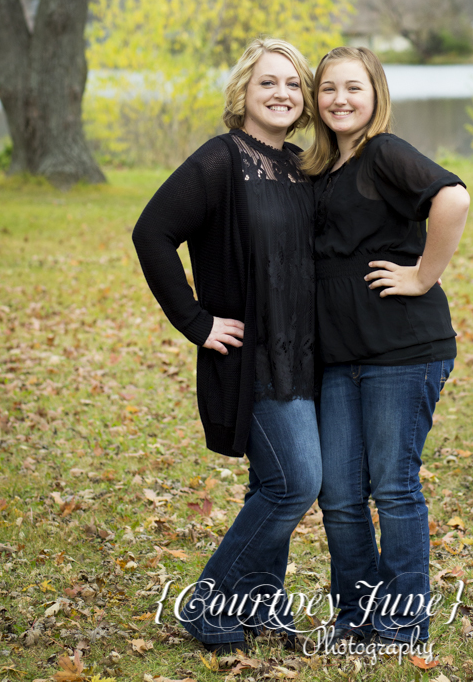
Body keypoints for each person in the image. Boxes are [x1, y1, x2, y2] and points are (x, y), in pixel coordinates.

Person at [132, 38, 321, 653]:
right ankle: (208, 603)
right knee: (295, 483)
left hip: (303, 354)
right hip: (249, 358)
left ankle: (261, 604)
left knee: (269, 483)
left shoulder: (299, 166)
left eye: (294, 84)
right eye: (269, 82)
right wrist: (196, 320)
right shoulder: (220, 161)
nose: (282, 94)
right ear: (243, 91)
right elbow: (152, 233)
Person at [302, 46, 470, 646]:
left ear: (375, 94)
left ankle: (402, 625)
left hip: (403, 352)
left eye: (353, 88)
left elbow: (453, 198)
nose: (340, 99)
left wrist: (423, 275)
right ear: (315, 99)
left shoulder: (384, 153)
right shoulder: (317, 171)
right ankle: (356, 619)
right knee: (341, 495)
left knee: (394, 489)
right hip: (338, 357)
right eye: (328, 89)